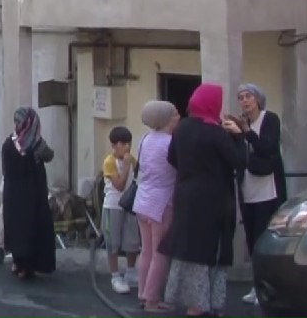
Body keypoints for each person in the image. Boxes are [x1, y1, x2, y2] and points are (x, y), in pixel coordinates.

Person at [161, 84, 247, 316]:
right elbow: (239, 162)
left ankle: (193, 305)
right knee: (212, 251)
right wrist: (239, 137)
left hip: (187, 197)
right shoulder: (217, 133)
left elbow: (172, 158)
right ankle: (207, 304)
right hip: (215, 201)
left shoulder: (182, 129)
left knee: (191, 250)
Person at [236, 83, 287, 306]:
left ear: (258, 99)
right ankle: (256, 286)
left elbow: (268, 147)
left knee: (264, 237)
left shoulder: (270, 119)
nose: (245, 101)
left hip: (268, 188)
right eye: (240, 97)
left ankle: (268, 288)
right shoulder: (240, 123)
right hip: (248, 187)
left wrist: (247, 133)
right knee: (251, 239)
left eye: (248, 96)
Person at [134, 101, 180, 313]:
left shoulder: (145, 139)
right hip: (162, 202)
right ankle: (152, 299)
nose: (178, 117)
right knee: (160, 253)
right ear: (166, 119)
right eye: (175, 114)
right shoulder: (171, 143)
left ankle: (143, 293)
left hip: (143, 199)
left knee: (146, 251)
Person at [1, 106, 56, 279]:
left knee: (16, 227)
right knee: (33, 227)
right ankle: (29, 266)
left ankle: (18, 263)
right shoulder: (37, 144)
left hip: (13, 194)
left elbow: (5, 169)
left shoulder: (9, 143)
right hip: (33, 195)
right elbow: (50, 155)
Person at [102, 126, 141, 295]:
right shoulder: (110, 162)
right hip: (113, 206)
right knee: (113, 242)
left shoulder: (132, 159)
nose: (127, 147)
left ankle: (131, 271)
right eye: (123, 144)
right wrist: (124, 167)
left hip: (129, 206)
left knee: (131, 241)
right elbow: (119, 185)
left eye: (128, 143)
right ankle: (115, 275)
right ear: (115, 145)